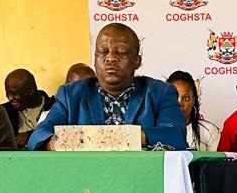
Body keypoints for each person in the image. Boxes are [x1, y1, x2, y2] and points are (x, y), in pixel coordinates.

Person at [29, 25, 185, 150]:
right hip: (84, 176)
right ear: (95, 59)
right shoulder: (70, 95)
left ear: (137, 61)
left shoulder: (160, 93)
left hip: (142, 175)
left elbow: (176, 136)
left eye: (121, 52)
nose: (110, 58)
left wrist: (124, 137)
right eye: (103, 52)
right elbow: (38, 136)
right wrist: (57, 143)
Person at [167, 70, 220, 151]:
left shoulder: (208, 130)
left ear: (193, 101)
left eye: (186, 98)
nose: (180, 103)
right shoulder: (156, 131)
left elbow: (218, 159)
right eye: (174, 97)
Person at [3, 69, 53, 149]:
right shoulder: (4, 112)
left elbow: (61, 133)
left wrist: (30, 135)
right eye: (7, 93)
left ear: (30, 91)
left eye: (14, 93)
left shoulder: (54, 107)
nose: (10, 98)